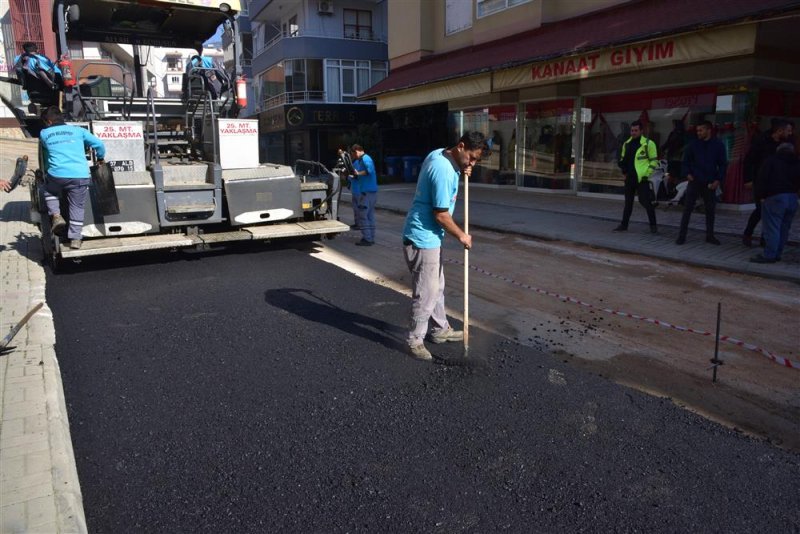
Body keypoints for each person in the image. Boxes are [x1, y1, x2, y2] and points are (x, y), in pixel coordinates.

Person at [401, 131, 485, 360]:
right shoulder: (443, 171)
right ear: (460, 146)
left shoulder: (440, 154)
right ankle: (414, 340)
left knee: (437, 286)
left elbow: (454, 169)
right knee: (427, 293)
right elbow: (440, 214)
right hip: (422, 238)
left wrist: (463, 169)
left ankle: (439, 330)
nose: (473, 163)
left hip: (428, 237)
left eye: (476, 159)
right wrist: (462, 236)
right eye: (471, 157)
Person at [38, 107, 106, 250]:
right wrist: (100, 158)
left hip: (57, 175)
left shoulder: (44, 133)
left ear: (49, 121)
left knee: (49, 190)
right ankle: (75, 239)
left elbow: (45, 149)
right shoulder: (78, 131)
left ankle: (56, 215)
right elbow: (99, 144)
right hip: (80, 175)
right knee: (77, 206)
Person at [742, 118, 793, 246]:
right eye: (788, 130)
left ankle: (766, 238)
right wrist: (748, 179)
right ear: (779, 130)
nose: (790, 133)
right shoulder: (761, 141)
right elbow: (749, 160)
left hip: (777, 183)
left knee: (771, 211)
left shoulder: (786, 144)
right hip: (760, 180)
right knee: (760, 209)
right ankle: (748, 233)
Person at [676, 120, 728, 245]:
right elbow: (686, 161)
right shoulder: (693, 145)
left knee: (710, 210)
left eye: (701, 130)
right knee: (687, 208)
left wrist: (718, 180)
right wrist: (688, 174)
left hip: (710, 181)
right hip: (695, 180)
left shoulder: (718, 145)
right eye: (697, 130)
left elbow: (722, 164)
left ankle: (710, 236)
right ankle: (681, 236)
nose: (698, 133)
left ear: (708, 130)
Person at [750, 143, 800, 263]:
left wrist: (760, 196)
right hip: (792, 197)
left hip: (775, 197)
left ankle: (770, 255)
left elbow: (762, 178)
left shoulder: (771, 161)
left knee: (772, 227)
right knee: (784, 228)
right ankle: (778, 253)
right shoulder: (797, 162)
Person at [613, 120, 659, 233]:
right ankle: (624, 225)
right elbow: (623, 159)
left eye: (636, 130)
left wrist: (647, 175)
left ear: (641, 131)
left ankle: (653, 226)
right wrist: (624, 171)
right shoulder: (627, 144)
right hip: (630, 178)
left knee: (646, 202)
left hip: (642, 179)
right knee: (628, 203)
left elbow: (654, 162)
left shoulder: (648, 143)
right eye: (632, 130)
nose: (633, 133)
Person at [350, 144, 378, 246]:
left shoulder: (365, 159)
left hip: (366, 193)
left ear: (357, 151)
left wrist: (358, 174)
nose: (354, 157)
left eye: (353, 154)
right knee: (369, 215)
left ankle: (367, 238)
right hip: (370, 192)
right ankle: (370, 237)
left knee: (363, 215)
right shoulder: (365, 159)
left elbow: (369, 171)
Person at [334, 146, 359, 228]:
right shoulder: (353, 163)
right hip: (355, 189)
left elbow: (355, 175)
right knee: (356, 208)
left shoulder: (356, 163)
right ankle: (358, 223)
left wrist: (347, 176)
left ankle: (360, 224)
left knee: (358, 208)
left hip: (358, 190)